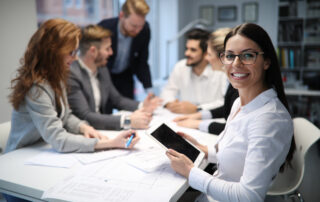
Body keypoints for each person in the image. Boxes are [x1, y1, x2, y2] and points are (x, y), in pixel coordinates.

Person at [166, 23, 295, 202]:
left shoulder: (269, 119)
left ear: (267, 61)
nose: (236, 64)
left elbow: (249, 196)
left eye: (248, 55)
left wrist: (190, 172)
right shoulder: (239, 104)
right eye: (229, 56)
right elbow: (239, 154)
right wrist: (203, 150)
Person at [68, 25, 161, 130]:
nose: (111, 52)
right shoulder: (72, 74)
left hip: (102, 131)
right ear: (93, 51)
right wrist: (127, 121)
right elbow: (85, 116)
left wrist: (143, 106)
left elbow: (117, 100)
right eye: (107, 48)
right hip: (84, 135)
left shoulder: (102, 69)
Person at [174, 28, 239, 135]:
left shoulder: (238, 83)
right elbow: (228, 109)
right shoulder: (232, 80)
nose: (207, 59)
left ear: (223, 56)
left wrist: (197, 124)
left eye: (209, 54)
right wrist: (197, 115)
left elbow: (235, 129)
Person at [160, 28, 228, 114]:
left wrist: (197, 108)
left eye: (193, 50)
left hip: (210, 118)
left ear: (205, 53)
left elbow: (224, 102)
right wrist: (170, 104)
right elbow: (168, 90)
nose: (187, 53)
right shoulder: (180, 67)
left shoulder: (220, 70)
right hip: (183, 117)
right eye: (187, 48)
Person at [98, 0, 152, 99]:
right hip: (103, 75)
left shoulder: (145, 30)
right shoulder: (104, 28)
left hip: (125, 76)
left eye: (141, 26)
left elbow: (142, 62)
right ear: (122, 16)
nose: (138, 30)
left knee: (130, 108)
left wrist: (149, 90)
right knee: (105, 110)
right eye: (134, 26)